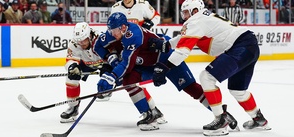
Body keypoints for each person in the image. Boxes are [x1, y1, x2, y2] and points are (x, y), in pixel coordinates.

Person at [94, 12, 238, 131]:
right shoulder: (112, 33)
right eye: (110, 30)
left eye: (114, 30)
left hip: (167, 59)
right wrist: (109, 57)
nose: (111, 34)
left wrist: (112, 76)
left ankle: (222, 114)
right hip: (149, 65)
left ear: (124, 27)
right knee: (128, 80)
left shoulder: (134, 35)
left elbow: (127, 63)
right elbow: (97, 46)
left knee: (190, 87)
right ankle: (150, 114)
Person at [149, 0, 271, 136]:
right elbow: (185, 37)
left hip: (239, 47)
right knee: (238, 90)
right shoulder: (203, 18)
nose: (183, 16)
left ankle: (221, 120)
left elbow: (183, 51)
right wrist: (167, 44)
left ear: (194, 11)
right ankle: (259, 119)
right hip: (249, 45)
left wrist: (165, 67)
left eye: (185, 12)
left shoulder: (195, 21)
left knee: (206, 77)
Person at [60, 22, 115, 123]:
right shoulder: (74, 43)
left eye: (83, 40)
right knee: (71, 78)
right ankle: (73, 107)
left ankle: (108, 90)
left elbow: (114, 54)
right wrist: (73, 67)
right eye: (79, 41)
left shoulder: (101, 39)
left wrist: (110, 67)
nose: (81, 43)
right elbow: (70, 60)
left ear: (90, 36)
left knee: (109, 78)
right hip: (86, 63)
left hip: (104, 63)